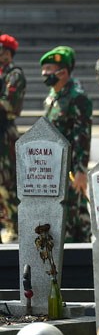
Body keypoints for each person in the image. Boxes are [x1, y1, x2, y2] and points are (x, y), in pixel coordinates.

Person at [40, 46, 93, 242]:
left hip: (70, 168)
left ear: (63, 71)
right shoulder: (52, 96)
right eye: (44, 68)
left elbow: (83, 134)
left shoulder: (77, 97)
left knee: (71, 216)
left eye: (49, 68)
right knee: (72, 215)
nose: (45, 73)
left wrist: (80, 170)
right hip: (54, 167)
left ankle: (77, 258)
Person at [0, 34, 25, 243]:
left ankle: (14, 226)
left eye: (5, 52)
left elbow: (9, 104)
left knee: (7, 182)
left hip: (5, 134)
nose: (2, 55)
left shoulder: (14, 74)